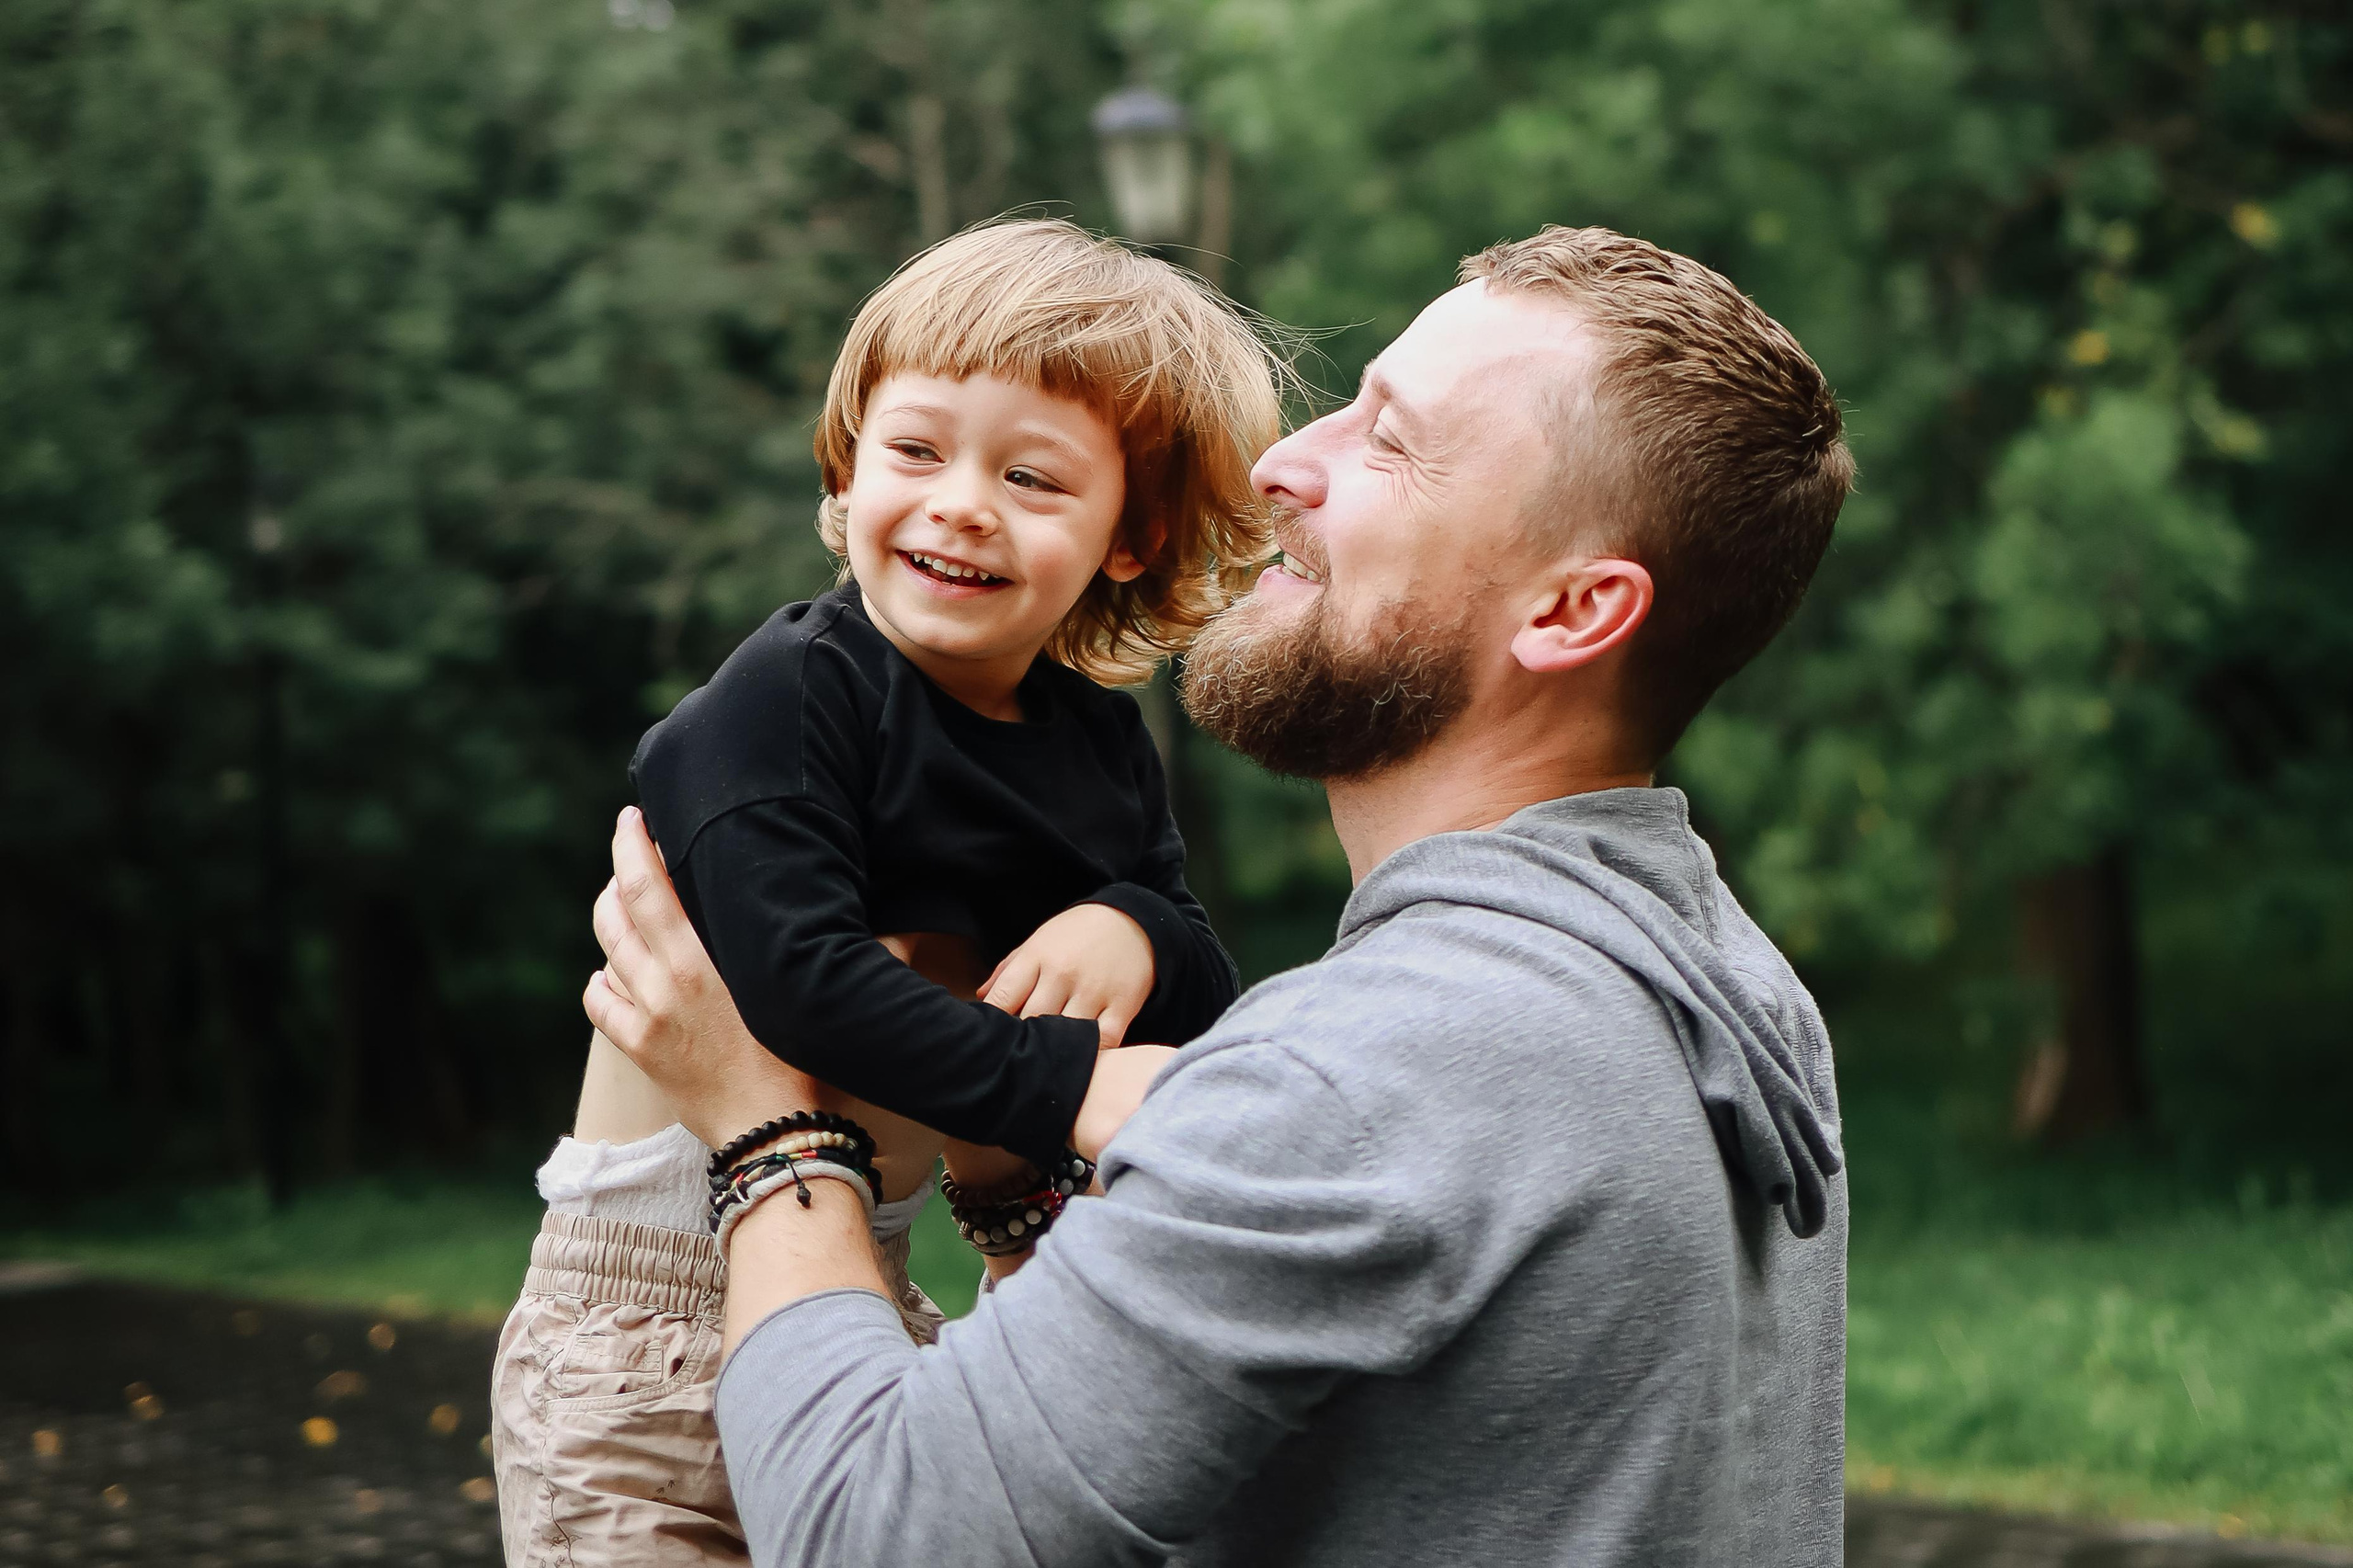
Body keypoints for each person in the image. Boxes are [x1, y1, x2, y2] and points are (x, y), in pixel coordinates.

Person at [588, 224, 1857, 1567]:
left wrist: (767, 1129)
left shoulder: (1355, 1077)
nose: (1276, 465)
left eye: (1388, 442)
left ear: (1573, 610)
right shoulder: (1732, 992)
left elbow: (873, 1537)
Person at [490, 219, 1283, 1566]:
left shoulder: (1095, 745)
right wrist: (1068, 1086)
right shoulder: (791, 697)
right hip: (645, 1332)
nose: (961, 500)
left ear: (1133, 538)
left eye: (1031, 477)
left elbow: (1194, 982)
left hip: (862, 1288)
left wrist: (1133, 925)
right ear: (851, 465)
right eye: (915, 451)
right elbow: (801, 985)